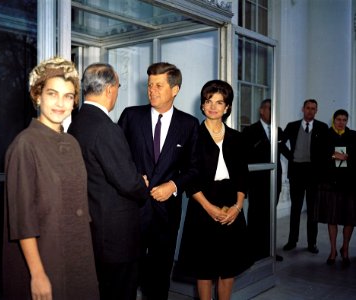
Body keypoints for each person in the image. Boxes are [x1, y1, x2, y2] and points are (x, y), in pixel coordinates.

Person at [3, 57, 99, 299]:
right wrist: (37, 274)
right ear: (38, 96)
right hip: (46, 255)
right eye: (52, 94)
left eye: (68, 96)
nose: (60, 103)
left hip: (77, 252)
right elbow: (22, 219)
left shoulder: (72, 142)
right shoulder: (25, 144)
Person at [118, 62, 199, 300]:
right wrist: (133, 179)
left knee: (159, 276)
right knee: (127, 274)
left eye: (159, 85)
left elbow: (194, 169)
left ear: (175, 90)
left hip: (166, 214)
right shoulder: (131, 116)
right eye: (150, 85)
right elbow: (117, 158)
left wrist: (173, 186)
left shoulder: (189, 124)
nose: (151, 90)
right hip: (131, 211)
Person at [68, 63, 149, 300]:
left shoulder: (77, 123)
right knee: (120, 292)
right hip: (116, 237)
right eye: (119, 86)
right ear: (111, 89)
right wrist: (141, 183)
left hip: (93, 227)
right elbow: (127, 182)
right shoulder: (106, 128)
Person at [178, 80, 253, 300]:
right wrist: (209, 208)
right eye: (208, 101)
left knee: (228, 267)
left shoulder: (237, 138)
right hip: (202, 204)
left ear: (227, 107)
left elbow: (242, 176)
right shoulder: (192, 137)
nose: (213, 106)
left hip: (231, 205)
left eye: (219, 102)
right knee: (204, 269)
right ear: (202, 105)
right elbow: (190, 180)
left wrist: (237, 207)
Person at [243, 99, 289, 262]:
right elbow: (246, 156)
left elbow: (286, 152)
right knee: (256, 216)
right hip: (257, 181)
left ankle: (268, 250)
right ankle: (251, 252)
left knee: (269, 216)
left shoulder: (278, 130)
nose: (272, 112)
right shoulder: (250, 131)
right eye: (269, 109)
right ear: (261, 110)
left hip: (274, 180)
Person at [282, 99, 328, 253]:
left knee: (312, 210)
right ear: (303, 109)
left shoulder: (322, 127)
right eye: (307, 108)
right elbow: (280, 144)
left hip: (313, 174)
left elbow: (327, 150)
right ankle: (292, 241)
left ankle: (311, 243)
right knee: (295, 208)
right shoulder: (292, 126)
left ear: (316, 110)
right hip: (296, 172)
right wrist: (291, 157)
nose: (310, 111)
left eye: (313, 108)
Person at [315, 109, 356, 266]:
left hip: (350, 184)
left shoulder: (353, 136)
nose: (341, 122)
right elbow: (317, 155)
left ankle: (345, 249)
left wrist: (347, 157)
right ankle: (333, 250)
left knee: (350, 219)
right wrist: (333, 155)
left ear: (347, 121)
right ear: (333, 120)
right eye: (338, 119)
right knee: (332, 218)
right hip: (330, 184)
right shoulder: (325, 134)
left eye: (344, 119)